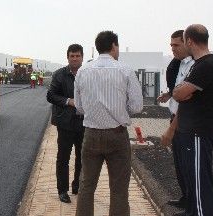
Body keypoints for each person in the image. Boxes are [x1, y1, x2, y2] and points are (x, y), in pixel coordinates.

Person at [74, 31, 143, 216]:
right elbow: (137, 107)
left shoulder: (82, 71)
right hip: (117, 135)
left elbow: (79, 107)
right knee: (119, 189)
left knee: (86, 186)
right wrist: (119, 111)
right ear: (114, 46)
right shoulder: (125, 70)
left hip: (91, 135)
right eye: (117, 46)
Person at [165, 24, 213, 216]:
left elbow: (180, 94)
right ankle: (192, 211)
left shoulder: (205, 65)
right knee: (192, 178)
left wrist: (181, 91)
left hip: (199, 132)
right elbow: (180, 93)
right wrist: (180, 91)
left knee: (199, 182)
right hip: (192, 132)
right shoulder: (199, 64)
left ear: (189, 41)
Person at [157, 30, 195, 209]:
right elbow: (177, 89)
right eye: (171, 45)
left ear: (188, 43)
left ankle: (193, 206)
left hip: (186, 123)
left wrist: (171, 130)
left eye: (176, 45)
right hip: (175, 118)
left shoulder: (194, 66)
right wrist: (168, 94)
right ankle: (186, 198)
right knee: (180, 165)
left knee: (189, 166)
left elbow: (187, 103)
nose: (173, 49)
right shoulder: (178, 64)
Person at [46, 44, 85, 203]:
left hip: (84, 122)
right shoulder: (59, 75)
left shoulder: (88, 74)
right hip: (65, 123)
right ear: (67, 57)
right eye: (72, 56)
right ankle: (62, 190)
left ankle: (78, 186)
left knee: (82, 158)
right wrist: (68, 101)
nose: (75, 59)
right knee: (63, 158)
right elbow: (51, 95)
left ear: (82, 57)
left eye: (77, 56)